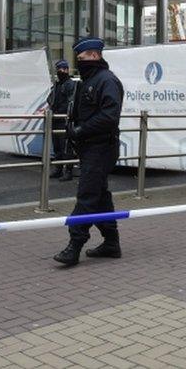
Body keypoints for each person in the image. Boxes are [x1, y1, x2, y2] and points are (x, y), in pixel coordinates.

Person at [53, 37, 124, 267]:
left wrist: (81, 130)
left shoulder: (107, 81)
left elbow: (109, 117)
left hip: (101, 147)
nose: (79, 62)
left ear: (94, 55)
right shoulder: (87, 81)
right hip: (90, 147)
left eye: (82, 58)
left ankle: (74, 245)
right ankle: (111, 242)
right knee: (99, 196)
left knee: (86, 195)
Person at [46, 59, 77, 181]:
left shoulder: (70, 84)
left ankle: (68, 171)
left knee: (66, 147)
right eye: (59, 69)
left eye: (63, 69)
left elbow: (71, 102)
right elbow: (50, 99)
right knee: (57, 147)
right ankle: (58, 169)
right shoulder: (57, 85)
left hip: (64, 120)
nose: (60, 71)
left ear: (67, 70)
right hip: (55, 119)